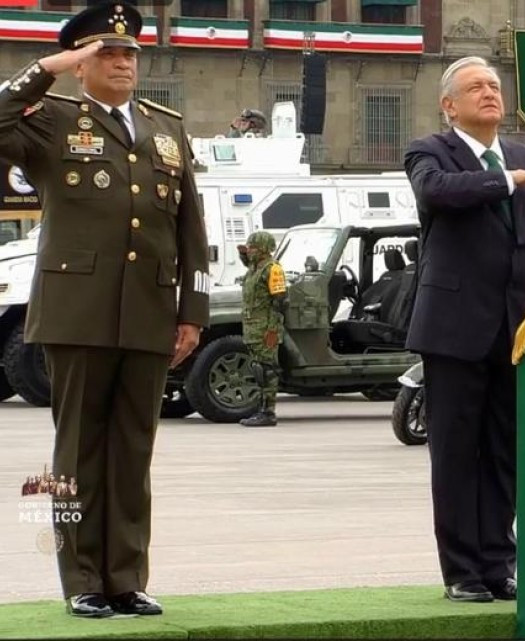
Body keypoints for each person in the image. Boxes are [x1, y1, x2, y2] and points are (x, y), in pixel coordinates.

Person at [0, 1, 209, 616]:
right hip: (78, 308)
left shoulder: (165, 127)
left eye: (128, 54)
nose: (120, 62)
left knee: (133, 449)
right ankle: (82, 579)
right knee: (77, 453)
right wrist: (47, 68)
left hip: (150, 309)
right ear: (82, 63)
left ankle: (126, 577)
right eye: (105, 53)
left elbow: (189, 227)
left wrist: (191, 309)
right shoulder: (53, 119)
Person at [403, 56, 525, 603]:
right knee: (455, 453)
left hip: (516, 332)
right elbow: (438, 194)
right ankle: (462, 572)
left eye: (494, 85)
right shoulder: (431, 153)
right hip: (453, 330)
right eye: (476, 87)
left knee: (503, 453)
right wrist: (503, 182)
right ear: (450, 105)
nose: (490, 93)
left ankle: (500, 563)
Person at [237, 231, 287, 427]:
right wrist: (243, 254)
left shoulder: (272, 269)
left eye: (253, 248)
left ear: (265, 250)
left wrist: (273, 330)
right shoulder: (254, 268)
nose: (250, 252)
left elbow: (280, 301)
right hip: (252, 329)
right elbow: (248, 265)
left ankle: (268, 412)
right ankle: (260, 409)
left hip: (266, 328)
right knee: (257, 370)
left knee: (267, 370)